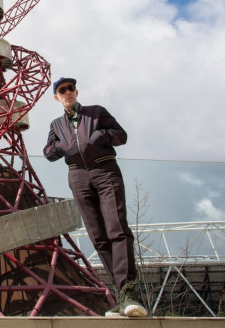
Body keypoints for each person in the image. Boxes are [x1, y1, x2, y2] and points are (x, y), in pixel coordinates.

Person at [43, 77, 147, 318]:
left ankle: (129, 291)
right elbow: (48, 153)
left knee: (117, 228)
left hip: (105, 170)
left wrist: (99, 137)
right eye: (62, 90)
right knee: (98, 236)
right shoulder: (56, 124)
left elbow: (121, 135)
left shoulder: (96, 112)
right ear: (57, 97)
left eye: (70, 88)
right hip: (78, 176)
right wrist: (63, 148)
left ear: (76, 92)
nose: (67, 92)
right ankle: (122, 295)